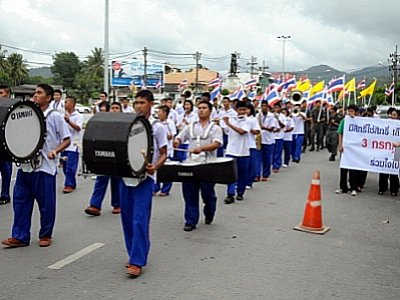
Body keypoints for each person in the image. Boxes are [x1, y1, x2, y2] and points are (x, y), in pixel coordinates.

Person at [2, 84, 70, 248]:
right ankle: (20, 236)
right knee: (20, 202)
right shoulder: (27, 114)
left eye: (39, 93)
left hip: (45, 167)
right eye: (35, 93)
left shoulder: (55, 116)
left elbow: (66, 139)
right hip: (25, 167)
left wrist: (55, 150)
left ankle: (45, 234)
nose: (35, 95)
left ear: (48, 97)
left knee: (46, 204)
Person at [119, 90, 167, 278]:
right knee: (127, 220)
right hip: (125, 178)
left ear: (151, 104)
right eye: (136, 103)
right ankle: (134, 252)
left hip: (145, 180)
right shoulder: (127, 124)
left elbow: (164, 152)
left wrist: (155, 166)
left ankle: (137, 261)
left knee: (139, 219)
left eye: (142, 102)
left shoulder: (158, 127)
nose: (138, 106)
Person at [174, 100, 223, 231]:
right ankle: (190, 221)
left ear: (210, 111)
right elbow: (180, 137)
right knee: (189, 193)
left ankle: (209, 212)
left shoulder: (215, 128)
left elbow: (216, 144)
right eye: (199, 108)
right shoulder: (190, 126)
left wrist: (202, 148)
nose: (201, 110)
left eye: (204, 108)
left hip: (208, 165)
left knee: (208, 194)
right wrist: (176, 141)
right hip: (191, 164)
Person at [84, 102, 123, 216]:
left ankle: (117, 204)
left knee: (117, 180)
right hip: (103, 154)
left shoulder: (124, 122)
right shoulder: (103, 122)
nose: (114, 110)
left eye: (117, 108)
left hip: (118, 155)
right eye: (113, 108)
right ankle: (95, 205)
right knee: (101, 179)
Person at [223, 101, 252, 203]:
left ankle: (240, 192)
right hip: (231, 150)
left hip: (243, 151)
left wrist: (228, 123)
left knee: (242, 174)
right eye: (240, 110)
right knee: (231, 174)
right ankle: (230, 194)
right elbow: (226, 131)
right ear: (236, 111)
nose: (242, 112)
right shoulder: (232, 119)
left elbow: (241, 132)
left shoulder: (248, 121)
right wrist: (222, 123)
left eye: (244, 110)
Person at [336, 104, 360, 197]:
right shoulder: (344, 121)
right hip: (346, 148)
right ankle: (343, 187)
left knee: (353, 169)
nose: (350, 113)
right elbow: (340, 133)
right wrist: (340, 145)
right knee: (343, 168)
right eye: (348, 111)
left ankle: (353, 187)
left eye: (352, 111)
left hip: (355, 149)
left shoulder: (360, 122)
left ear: (356, 113)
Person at [61, 96, 83, 193]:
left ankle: (68, 185)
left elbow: (78, 128)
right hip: (63, 145)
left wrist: (68, 121)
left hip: (73, 145)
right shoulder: (62, 116)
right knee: (65, 167)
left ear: (73, 104)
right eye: (64, 102)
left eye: (67, 102)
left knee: (70, 167)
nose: (65, 104)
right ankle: (72, 183)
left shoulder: (78, 116)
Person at [153, 105, 176, 196]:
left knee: (166, 170)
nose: (158, 114)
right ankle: (156, 186)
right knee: (156, 168)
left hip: (168, 149)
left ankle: (166, 189)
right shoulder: (156, 123)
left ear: (165, 113)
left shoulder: (169, 123)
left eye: (160, 112)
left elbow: (171, 136)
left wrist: (163, 134)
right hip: (158, 150)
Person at [378, 108, 399, 196]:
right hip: (385, 150)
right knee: (383, 169)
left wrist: (398, 144)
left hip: (396, 151)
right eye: (390, 114)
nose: (392, 116)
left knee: (393, 170)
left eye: (394, 115)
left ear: (397, 116)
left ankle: (394, 189)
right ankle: (382, 188)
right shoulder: (384, 124)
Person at [258, 101, 278, 181]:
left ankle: (265, 174)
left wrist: (263, 127)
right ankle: (257, 174)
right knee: (259, 158)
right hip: (259, 139)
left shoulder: (271, 116)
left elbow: (272, 128)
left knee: (267, 158)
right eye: (262, 106)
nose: (264, 108)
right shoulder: (258, 115)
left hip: (268, 139)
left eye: (265, 106)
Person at [0, 85, 12, 205]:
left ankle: (5, 194)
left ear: (8, 95)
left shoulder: (12, 109)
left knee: (6, 171)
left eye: (1, 93)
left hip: (7, 145)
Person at [272, 102, 287, 173]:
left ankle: (276, 166)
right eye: (275, 108)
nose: (276, 109)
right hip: (272, 136)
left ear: (280, 108)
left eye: (277, 108)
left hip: (280, 136)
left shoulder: (283, 116)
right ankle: (273, 164)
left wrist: (278, 119)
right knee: (272, 152)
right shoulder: (271, 115)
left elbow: (283, 126)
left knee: (278, 152)